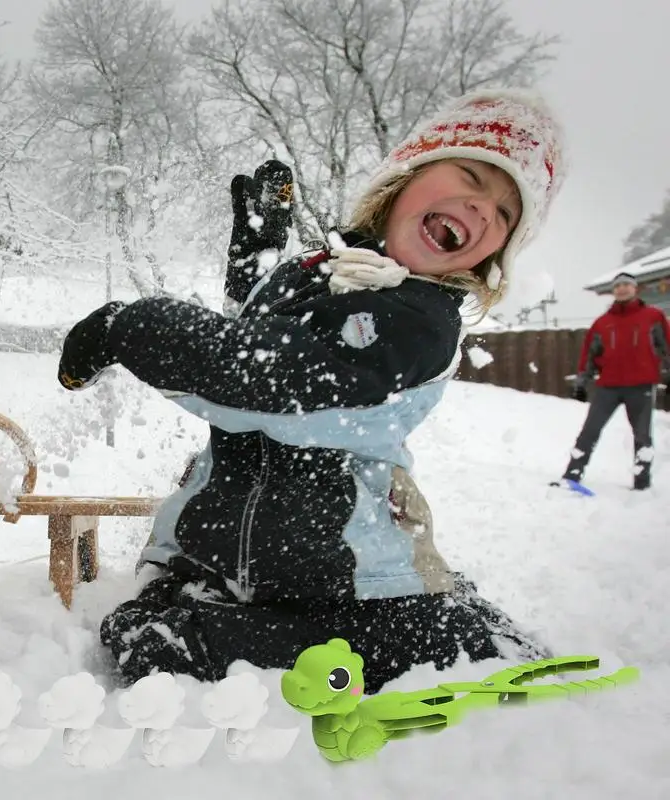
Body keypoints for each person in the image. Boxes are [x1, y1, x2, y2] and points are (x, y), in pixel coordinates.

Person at [57, 89, 565, 693]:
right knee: (143, 636)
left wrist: (128, 327)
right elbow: (253, 335)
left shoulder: (424, 317)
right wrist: (259, 262)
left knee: (190, 649)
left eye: (506, 214)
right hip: (218, 558)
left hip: (346, 583)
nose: (483, 208)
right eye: (472, 175)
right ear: (406, 177)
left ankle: (468, 643)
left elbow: (266, 380)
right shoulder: (323, 270)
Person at [555, 271, 670, 491]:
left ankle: (642, 484)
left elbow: (667, 348)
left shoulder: (653, 317)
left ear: (635, 289)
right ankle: (572, 475)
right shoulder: (602, 323)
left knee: (642, 436)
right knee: (590, 431)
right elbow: (589, 355)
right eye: (618, 286)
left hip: (641, 386)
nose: (622, 288)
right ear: (613, 291)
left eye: (627, 284)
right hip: (608, 387)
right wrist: (581, 383)